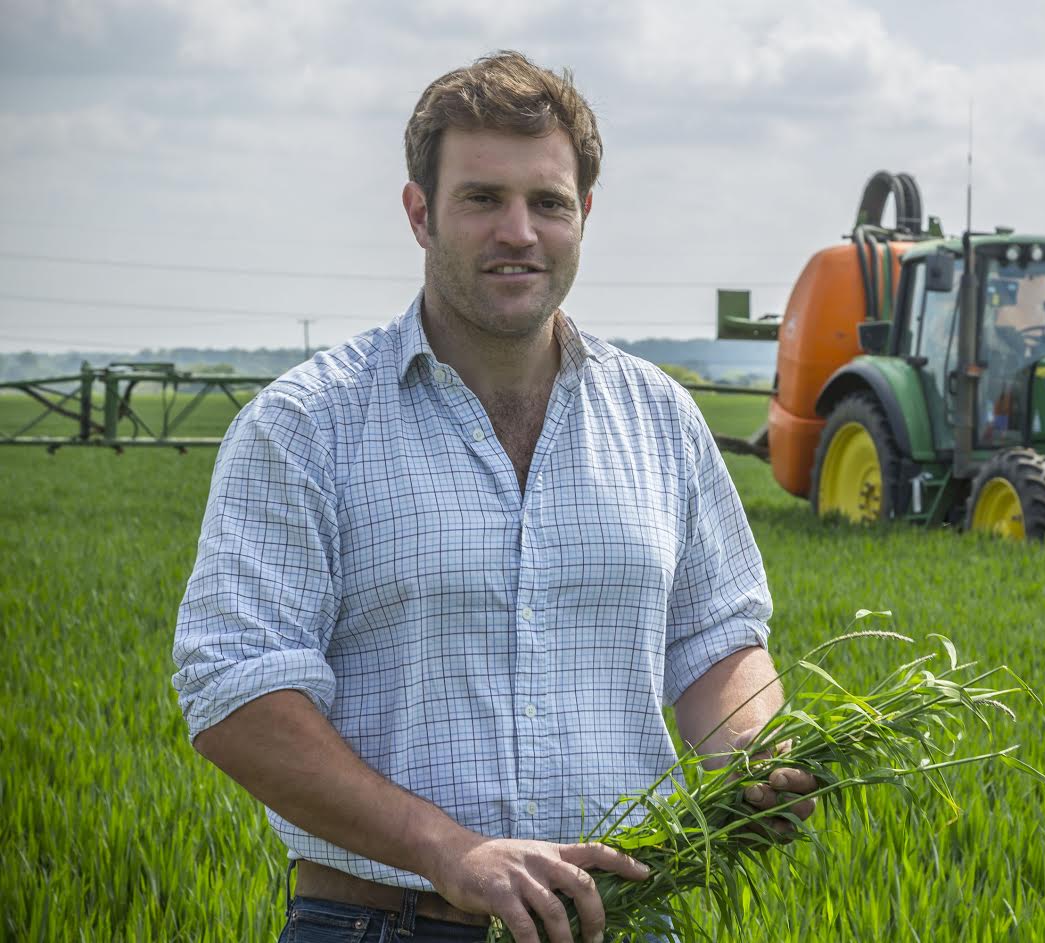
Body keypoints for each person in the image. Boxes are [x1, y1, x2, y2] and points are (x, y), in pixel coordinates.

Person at [172, 51, 815, 943]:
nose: (519, 230)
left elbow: (716, 642)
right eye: (482, 199)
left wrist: (755, 753)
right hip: (386, 924)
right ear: (419, 212)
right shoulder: (305, 426)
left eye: (548, 202)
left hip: (625, 919)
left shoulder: (659, 416)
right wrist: (452, 851)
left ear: (583, 215)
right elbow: (235, 689)